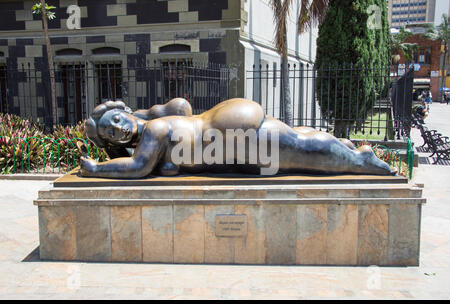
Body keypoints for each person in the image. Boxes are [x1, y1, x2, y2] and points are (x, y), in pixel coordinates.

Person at [81, 98, 395, 178]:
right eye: (111, 133)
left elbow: (138, 168)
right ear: (113, 143)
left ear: (125, 111)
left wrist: (96, 170)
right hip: (229, 127)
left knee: (301, 152)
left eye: (117, 120)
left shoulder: (153, 130)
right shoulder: (162, 117)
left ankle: (358, 160)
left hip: (231, 135)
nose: (118, 129)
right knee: (297, 142)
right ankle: (346, 147)